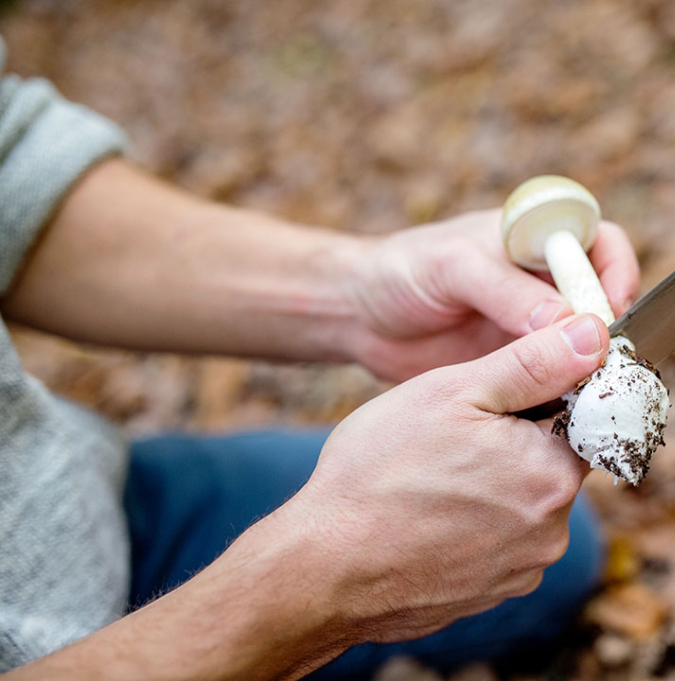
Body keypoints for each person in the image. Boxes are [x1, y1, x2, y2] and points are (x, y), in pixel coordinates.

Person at [0, 37, 641, 679]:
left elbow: (14, 165)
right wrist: (322, 582)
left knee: (554, 550)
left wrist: (358, 297)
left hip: (74, 491)